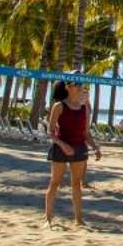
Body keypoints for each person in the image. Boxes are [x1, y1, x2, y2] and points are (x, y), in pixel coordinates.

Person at [43, 81, 96, 228]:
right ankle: (48, 219)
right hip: (61, 147)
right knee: (55, 183)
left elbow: (86, 133)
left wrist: (95, 147)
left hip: (78, 147)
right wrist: (62, 144)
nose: (79, 87)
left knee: (76, 184)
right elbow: (50, 131)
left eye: (80, 84)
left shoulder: (84, 108)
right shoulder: (59, 106)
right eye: (76, 85)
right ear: (69, 87)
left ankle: (78, 220)